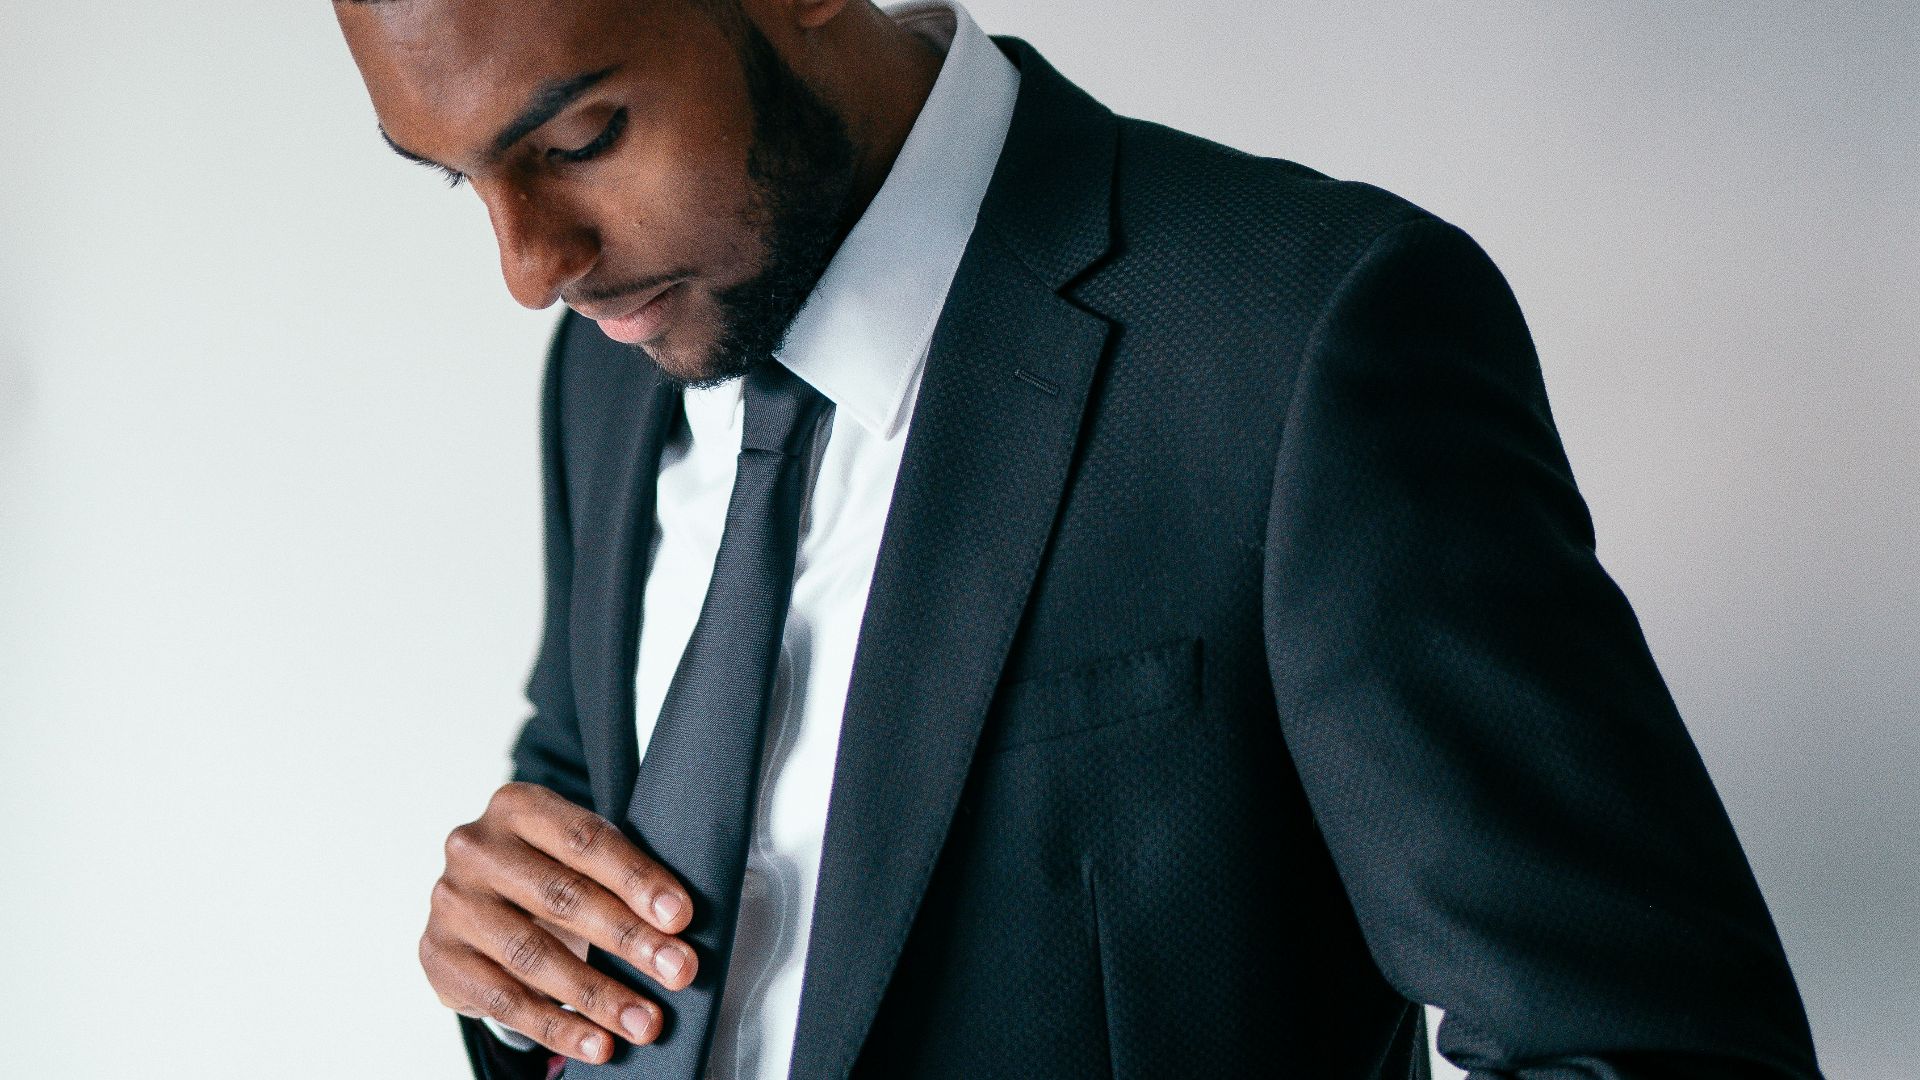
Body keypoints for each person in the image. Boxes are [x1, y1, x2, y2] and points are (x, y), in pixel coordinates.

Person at [331, 0, 1825, 1077]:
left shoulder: (1300, 341)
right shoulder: (612, 364)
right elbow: (584, 806)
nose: (529, 268)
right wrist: (513, 967)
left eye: (583, 135)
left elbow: (1646, 1048)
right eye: (458, 181)